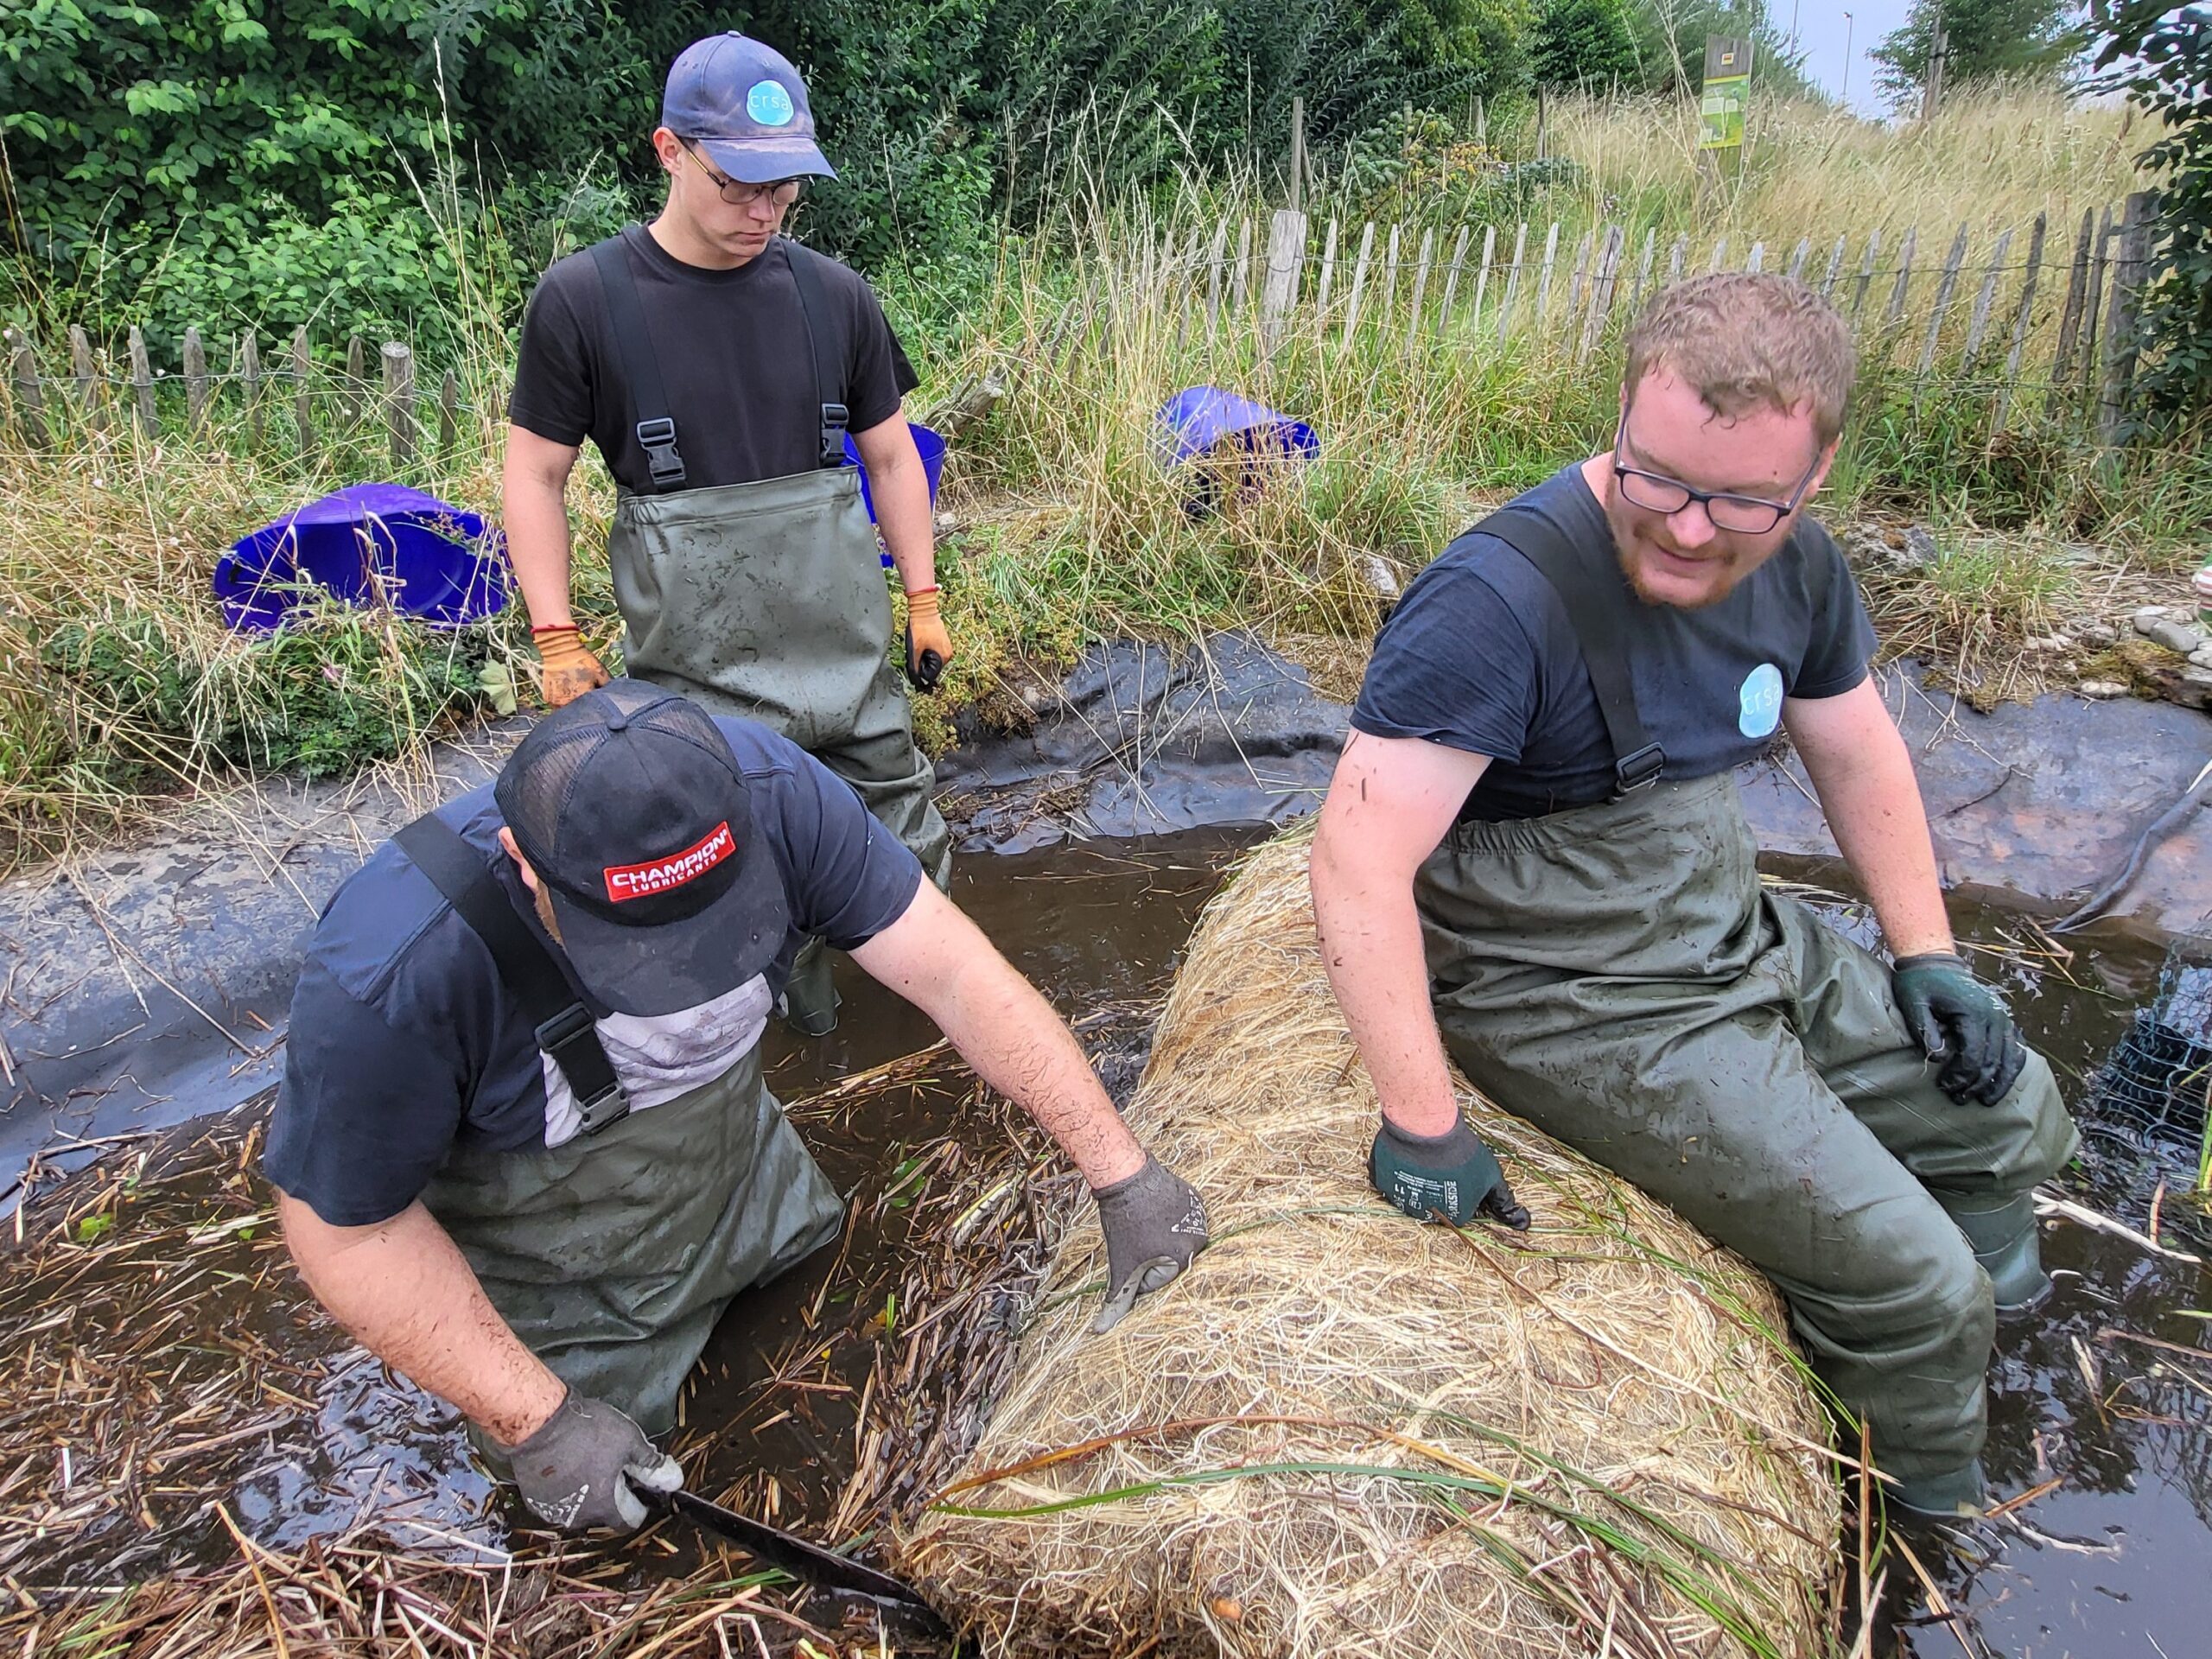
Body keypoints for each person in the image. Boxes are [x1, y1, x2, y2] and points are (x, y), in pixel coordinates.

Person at [1309, 273, 2077, 1521]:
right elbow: (1354, 858)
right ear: (1621, 416)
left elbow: (1858, 749)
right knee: (1918, 1285)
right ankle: (1926, 1525)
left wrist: (1928, 954)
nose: (1683, 526)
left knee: (2009, 1111)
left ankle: (2013, 1352)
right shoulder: (1494, 601)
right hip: (1570, 994)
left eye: (1739, 500)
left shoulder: (1806, 571)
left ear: (1815, 475)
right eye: (1656, 477)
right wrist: (1422, 1120)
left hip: (1728, 933)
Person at [265, 682, 1207, 1531]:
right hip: (557, 1268)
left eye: (715, 930)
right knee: (599, 1494)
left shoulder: (777, 793)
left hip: (737, 1169)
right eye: (642, 952)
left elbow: (958, 975)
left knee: (811, 1278)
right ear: (522, 863)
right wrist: (533, 1419)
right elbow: (347, 1232)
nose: (683, 977)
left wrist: (1122, 1175)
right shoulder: (397, 968)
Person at [503, 31, 951, 1037]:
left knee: (904, 852)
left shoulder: (834, 296)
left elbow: (888, 458)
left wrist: (922, 597)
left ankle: (920, 1041)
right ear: (668, 151)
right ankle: (793, 1049)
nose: (761, 212)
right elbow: (533, 474)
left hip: (850, 666)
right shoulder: (584, 301)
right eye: (737, 184)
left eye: (784, 189)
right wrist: (556, 638)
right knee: (735, 885)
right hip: (698, 689)